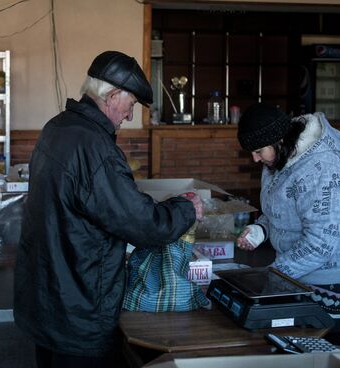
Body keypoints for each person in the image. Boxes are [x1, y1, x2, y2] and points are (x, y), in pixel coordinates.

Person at [14, 50, 203, 367]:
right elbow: (143, 224)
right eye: (130, 106)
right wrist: (185, 210)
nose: (129, 117)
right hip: (79, 306)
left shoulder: (56, 128)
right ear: (113, 95)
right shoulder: (95, 148)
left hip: (46, 297)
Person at [236, 103, 340, 345]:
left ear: (280, 140)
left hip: (333, 281)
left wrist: (273, 276)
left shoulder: (324, 170)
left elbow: (320, 243)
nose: (255, 159)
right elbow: (281, 210)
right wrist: (261, 229)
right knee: (289, 346)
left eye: (258, 150)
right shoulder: (279, 158)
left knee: (317, 351)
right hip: (298, 274)